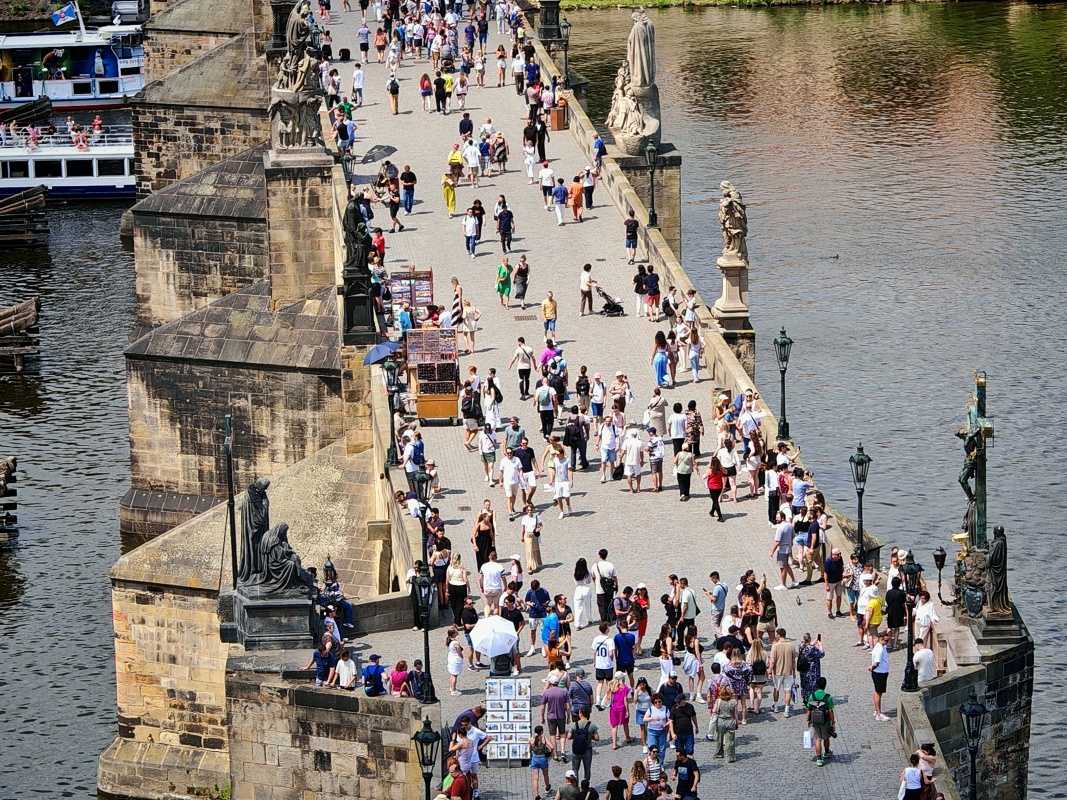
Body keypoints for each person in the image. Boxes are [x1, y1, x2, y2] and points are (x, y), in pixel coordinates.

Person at [805, 675, 835, 767]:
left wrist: (808, 720)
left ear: (817, 685)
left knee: (818, 739)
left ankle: (819, 759)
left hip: (815, 720)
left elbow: (809, 709)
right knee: (826, 737)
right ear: (825, 686)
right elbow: (830, 711)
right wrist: (833, 722)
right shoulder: (828, 697)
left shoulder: (812, 696)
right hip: (825, 721)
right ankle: (826, 752)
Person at [768, 628, 796, 717]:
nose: (775, 636)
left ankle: (775, 707)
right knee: (788, 691)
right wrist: (794, 671)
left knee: (776, 689)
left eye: (776, 634)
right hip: (789, 672)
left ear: (779, 635)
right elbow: (793, 660)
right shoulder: (791, 645)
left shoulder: (775, 646)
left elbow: (772, 661)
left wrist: (769, 671)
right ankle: (786, 710)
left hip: (777, 672)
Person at [541, 675, 571, 758]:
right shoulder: (564, 692)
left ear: (550, 683)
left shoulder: (547, 692)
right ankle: (562, 751)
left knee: (552, 735)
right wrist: (568, 717)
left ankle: (555, 754)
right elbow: (568, 706)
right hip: (561, 716)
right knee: (562, 734)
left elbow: (543, 706)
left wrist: (542, 717)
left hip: (551, 717)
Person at [568, 709, 599, 786]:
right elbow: (597, 738)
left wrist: (575, 736)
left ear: (581, 714)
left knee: (575, 769)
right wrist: (589, 736)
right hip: (587, 750)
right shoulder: (592, 725)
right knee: (587, 768)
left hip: (576, 750)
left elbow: (569, 737)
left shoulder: (575, 725)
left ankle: (575, 785)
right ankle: (586, 785)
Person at [591, 622, 617, 709]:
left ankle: (598, 699)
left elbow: (594, 652)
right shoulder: (610, 640)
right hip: (607, 664)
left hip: (599, 664)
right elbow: (610, 653)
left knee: (599, 682)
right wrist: (612, 658)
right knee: (609, 683)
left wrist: (594, 661)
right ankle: (606, 700)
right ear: (606, 630)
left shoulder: (596, 639)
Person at [711, 685, 739, 762]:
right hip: (730, 721)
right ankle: (730, 757)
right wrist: (737, 723)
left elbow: (714, 711)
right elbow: (735, 714)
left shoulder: (718, 701)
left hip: (720, 721)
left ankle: (719, 753)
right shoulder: (733, 702)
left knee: (719, 738)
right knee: (730, 740)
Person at [869, 629, 891, 721]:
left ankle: (876, 710)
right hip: (880, 673)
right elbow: (876, 663)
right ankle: (879, 713)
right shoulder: (879, 649)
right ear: (880, 639)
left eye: (887, 640)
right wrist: (871, 668)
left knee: (876, 691)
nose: (886, 642)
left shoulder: (881, 646)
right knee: (878, 693)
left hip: (880, 672)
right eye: (885, 640)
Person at [607, 672, 633, 748]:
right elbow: (625, 700)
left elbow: (609, 698)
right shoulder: (624, 687)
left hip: (614, 708)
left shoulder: (611, 686)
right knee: (625, 724)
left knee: (614, 726)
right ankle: (628, 738)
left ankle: (614, 744)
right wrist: (627, 711)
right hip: (622, 708)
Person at [593, 549, 618, 624]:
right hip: (609, 588)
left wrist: (596, 584)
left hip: (599, 589)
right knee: (609, 603)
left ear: (599, 555)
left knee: (601, 605)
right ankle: (610, 617)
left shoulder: (595, 565)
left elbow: (593, 576)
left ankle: (604, 620)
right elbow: (614, 577)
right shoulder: (610, 565)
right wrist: (616, 586)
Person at [530, 725, 555, 799]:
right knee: (545, 775)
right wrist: (550, 754)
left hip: (535, 759)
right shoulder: (543, 738)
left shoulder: (531, 739)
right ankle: (547, 788)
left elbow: (530, 749)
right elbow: (552, 747)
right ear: (541, 732)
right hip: (543, 759)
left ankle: (536, 795)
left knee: (535, 779)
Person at [479, 549, 506, 614]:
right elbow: (503, 578)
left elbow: (480, 578)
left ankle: (486, 617)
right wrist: (505, 586)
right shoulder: (500, 566)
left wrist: (481, 587)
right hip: (497, 588)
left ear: (489, 557)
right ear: (496, 558)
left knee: (488, 604)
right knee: (496, 605)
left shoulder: (484, 566)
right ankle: (495, 618)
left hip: (487, 588)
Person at [573, 558, 596, 630]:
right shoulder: (587, 573)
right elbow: (589, 581)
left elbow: (575, 582)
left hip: (578, 589)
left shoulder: (575, 573)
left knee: (577, 608)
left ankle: (577, 624)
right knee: (588, 606)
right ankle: (589, 619)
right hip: (586, 589)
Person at [446, 627, 466, 696]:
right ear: (453, 634)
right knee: (455, 675)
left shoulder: (450, 641)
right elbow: (459, 652)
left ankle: (451, 687)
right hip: (455, 659)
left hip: (451, 658)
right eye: (456, 631)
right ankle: (453, 690)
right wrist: (462, 657)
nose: (457, 631)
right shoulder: (455, 643)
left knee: (452, 674)